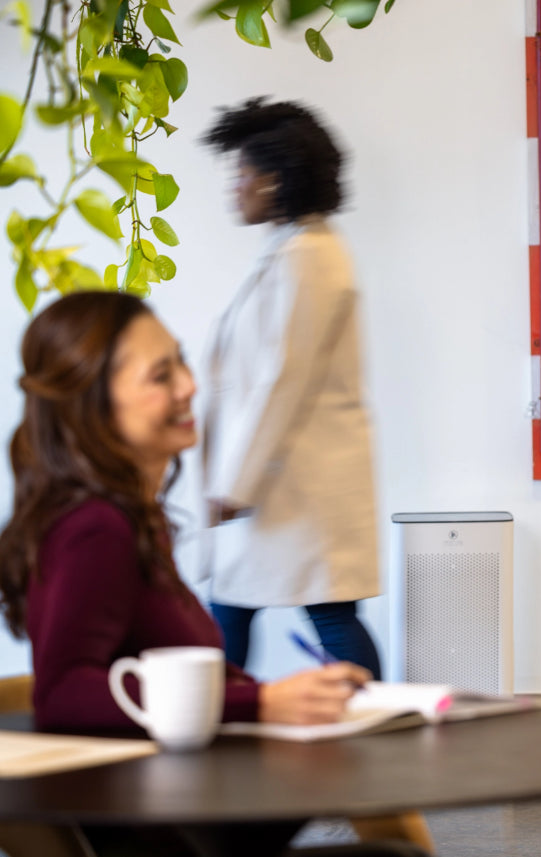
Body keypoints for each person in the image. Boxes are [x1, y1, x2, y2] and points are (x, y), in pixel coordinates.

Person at [0, 292, 423, 857]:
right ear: (94, 405)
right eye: (160, 374)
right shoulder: (95, 528)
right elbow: (63, 694)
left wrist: (278, 697)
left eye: (180, 361)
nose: (188, 386)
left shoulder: (129, 518)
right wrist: (260, 704)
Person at [198, 97, 382, 677]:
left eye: (243, 174)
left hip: (295, 487)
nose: (235, 187)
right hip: (285, 485)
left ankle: (374, 734)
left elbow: (284, 378)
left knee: (319, 615)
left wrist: (235, 482)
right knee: (239, 608)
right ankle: (220, 728)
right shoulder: (293, 249)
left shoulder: (310, 256)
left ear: (275, 183)